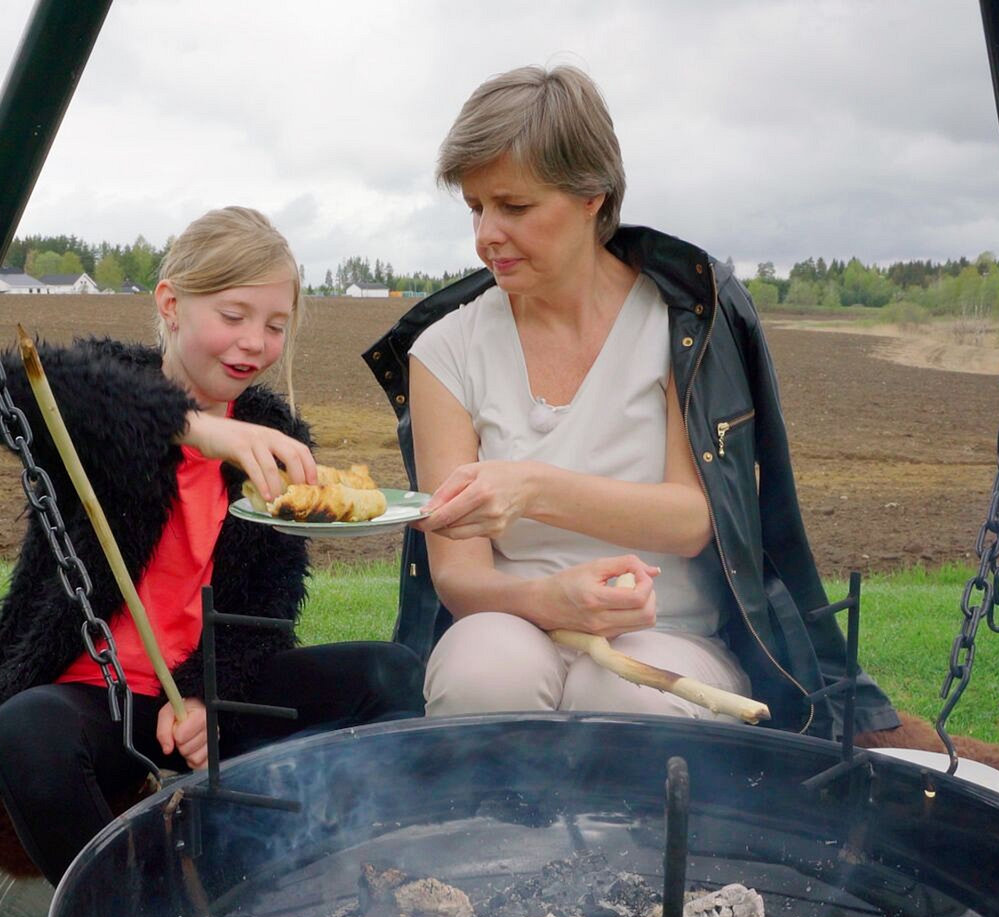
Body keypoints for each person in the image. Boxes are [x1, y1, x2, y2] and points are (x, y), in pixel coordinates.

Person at [366, 65, 896, 737]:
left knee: (622, 696)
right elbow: (459, 577)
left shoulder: (682, 325)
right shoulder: (443, 349)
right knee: (480, 674)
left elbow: (690, 520)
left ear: (593, 195)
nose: (486, 235)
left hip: (672, 630)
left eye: (515, 207)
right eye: (476, 207)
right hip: (507, 619)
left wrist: (529, 487)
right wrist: (547, 599)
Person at [0, 207, 425, 885]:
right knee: (27, 733)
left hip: (211, 690)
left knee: (390, 673)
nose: (255, 343)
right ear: (172, 304)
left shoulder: (273, 432)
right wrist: (198, 432)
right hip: (100, 697)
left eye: (275, 326)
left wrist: (206, 700)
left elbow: (268, 608)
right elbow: (16, 390)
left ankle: (352, 870)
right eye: (234, 315)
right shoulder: (108, 387)